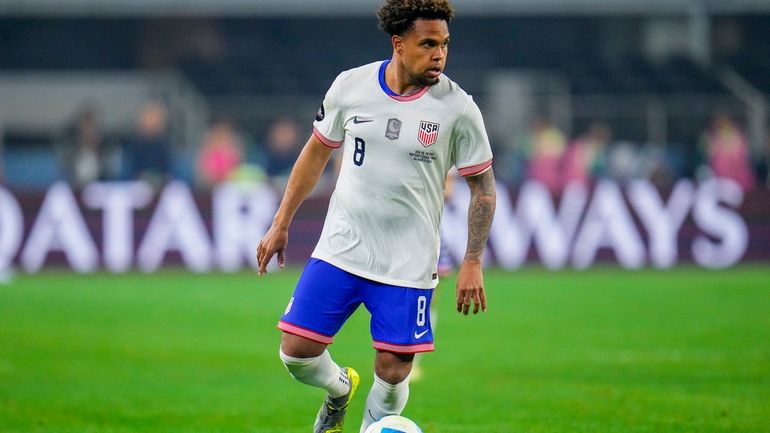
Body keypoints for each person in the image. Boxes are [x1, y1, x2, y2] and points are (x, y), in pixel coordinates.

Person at [256, 1, 496, 432]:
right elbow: (315, 153)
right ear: (398, 44)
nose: (439, 54)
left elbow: (484, 190)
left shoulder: (458, 109)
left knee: (393, 368)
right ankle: (339, 390)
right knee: (295, 351)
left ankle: (371, 427)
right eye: (428, 44)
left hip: (408, 261)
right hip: (343, 246)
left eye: (444, 44)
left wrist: (473, 261)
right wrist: (281, 222)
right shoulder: (351, 86)